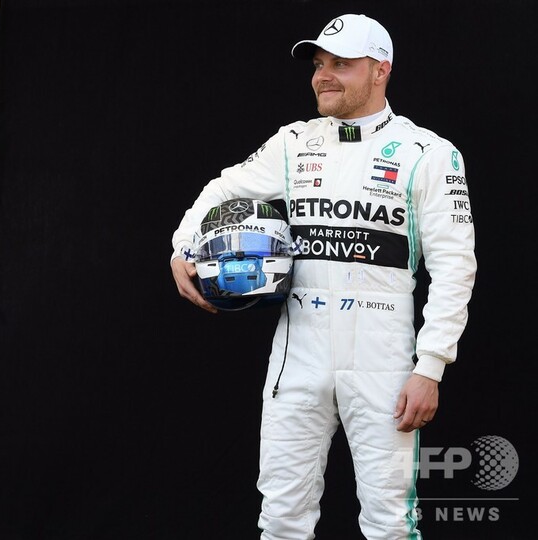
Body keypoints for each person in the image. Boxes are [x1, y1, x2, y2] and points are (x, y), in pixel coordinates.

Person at [170, 14, 475, 540]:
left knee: (390, 522)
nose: (323, 75)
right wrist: (183, 247)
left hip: (383, 355)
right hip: (298, 350)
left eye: (341, 63)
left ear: (381, 70)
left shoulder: (429, 153)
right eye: (318, 64)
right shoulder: (293, 142)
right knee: (281, 517)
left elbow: (455, 265)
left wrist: (431, 366)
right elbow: (223, 189)